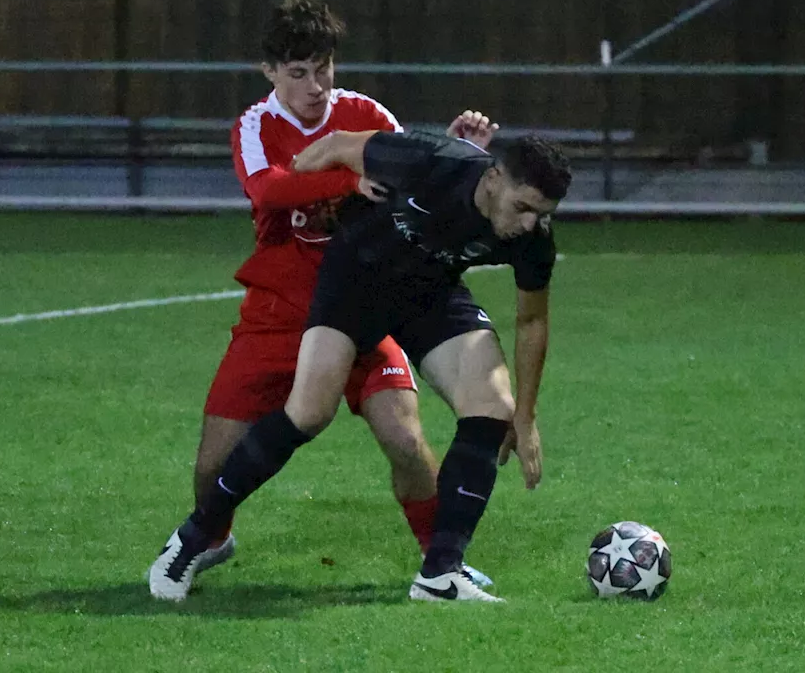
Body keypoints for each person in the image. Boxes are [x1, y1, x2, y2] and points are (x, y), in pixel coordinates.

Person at [150, 126, 570, 603]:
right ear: (494, 179)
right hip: (355, 279)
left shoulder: (533, 238)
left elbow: (533, 320)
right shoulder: (428, 159)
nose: (531, 223)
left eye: (543, 213)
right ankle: (191, 538)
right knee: (309, 411)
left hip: (428, 293)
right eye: (524, 207)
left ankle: (440, 575)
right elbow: (330, 148)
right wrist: (300, 215)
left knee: (492, 407)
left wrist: (526, 416)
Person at [189, 0, 496, 582]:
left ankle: (442, 563)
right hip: (279, 312)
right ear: (270, 73)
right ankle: (213, 538)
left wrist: (462, 153)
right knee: (212, 467)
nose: (314, 85)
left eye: (322, 67)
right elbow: (269, 191)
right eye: (298, 72)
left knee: (407, 441)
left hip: (362, 305)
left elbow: (421, 176)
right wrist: (349, 176)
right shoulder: (256, 126)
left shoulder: (365, 113)